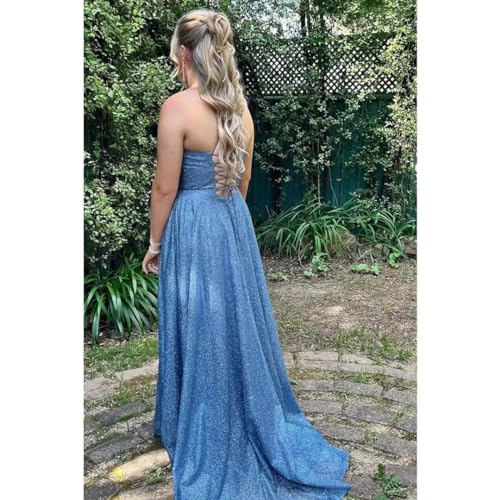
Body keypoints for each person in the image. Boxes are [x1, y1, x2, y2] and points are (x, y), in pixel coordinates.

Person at [142, 8, 351, 499]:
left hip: (193, 225)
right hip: (230, 220)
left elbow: (165, 188)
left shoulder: (176, 109)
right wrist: (228, 216)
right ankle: (246, 409)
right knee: (236, 321)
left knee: (200, 319)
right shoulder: (239, 106)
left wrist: (155, 244)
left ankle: (202, 421)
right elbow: (244, 178)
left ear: (184, 52)